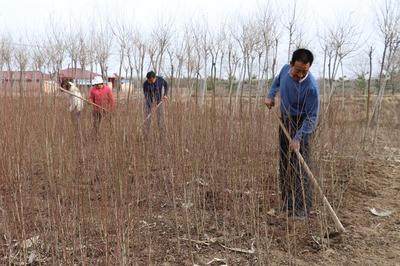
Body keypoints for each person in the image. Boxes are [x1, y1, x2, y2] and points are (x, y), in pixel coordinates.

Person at [264, 48, 320, 219]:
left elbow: (312, 117)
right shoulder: (283, 70)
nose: (300, 75)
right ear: (291, 65)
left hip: (302, 125)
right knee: (285, 164)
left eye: (304, 71)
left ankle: (302, 209)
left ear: (308, 68)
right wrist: (270, 96)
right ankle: (288, 204)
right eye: (297, 71)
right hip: (285, 120)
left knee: (300, 167)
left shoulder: (311, 87)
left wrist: (298, 137)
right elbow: (276, 82)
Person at [142, 71, 168, 137]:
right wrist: (151, 106)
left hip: (159, 101)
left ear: (154, 78)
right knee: (147, 118)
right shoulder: (145, 84)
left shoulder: (160, 80)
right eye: (148, 80)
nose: (149, 82)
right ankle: (146, 135)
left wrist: (165, 94)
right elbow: (146, 96)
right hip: (149, 102)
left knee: (160, 119)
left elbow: (166, 85)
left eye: (150, 80)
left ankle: (162, 135)